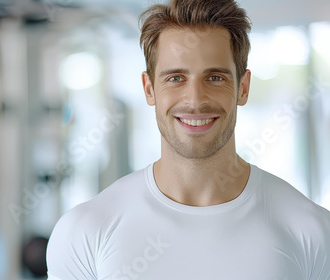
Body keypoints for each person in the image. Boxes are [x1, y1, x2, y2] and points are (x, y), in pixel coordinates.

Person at [46, 0, 330, 279]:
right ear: (149, 89)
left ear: (243, 88)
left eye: (215, 78)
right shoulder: (84, 232)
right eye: (175, 78)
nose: (195, 100)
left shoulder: (312, 231)